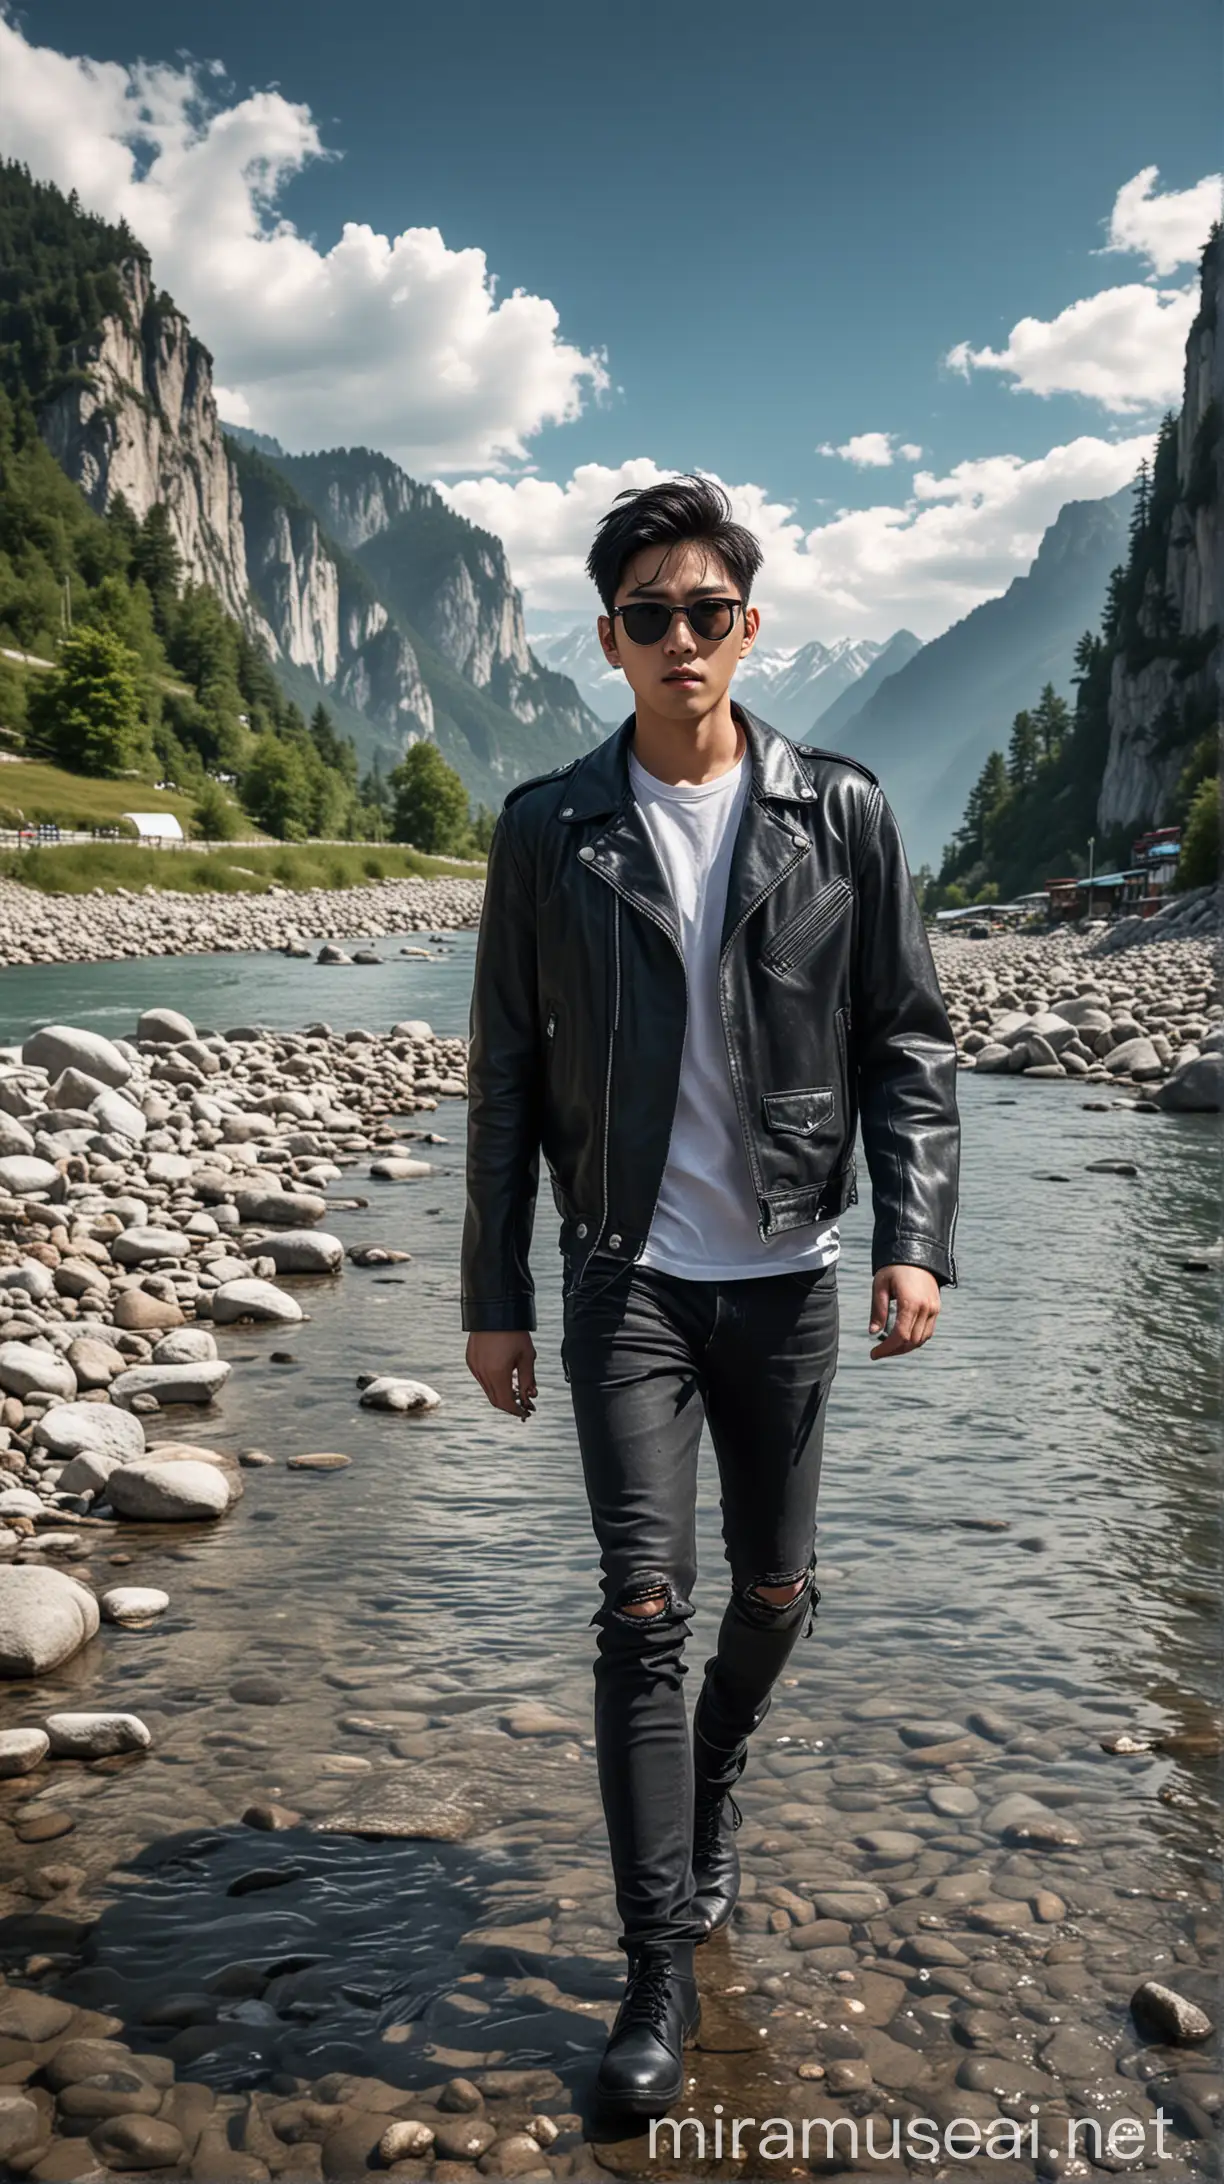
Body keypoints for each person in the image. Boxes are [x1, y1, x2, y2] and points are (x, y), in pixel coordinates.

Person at [461, 474, 960, 2119]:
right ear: (608, 641)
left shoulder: (847, 815)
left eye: (707, 611)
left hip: (790, 1278)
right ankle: (659, 1966)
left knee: (773, 1600)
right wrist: (495, 1291)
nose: (681, 639)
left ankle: (719, 1771)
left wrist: (915, 1234)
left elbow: (908, 1039)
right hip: (628, 1282)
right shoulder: (549, 829)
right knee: (642, 1612)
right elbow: (506, 1077)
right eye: (648, 615)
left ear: (749, 628)